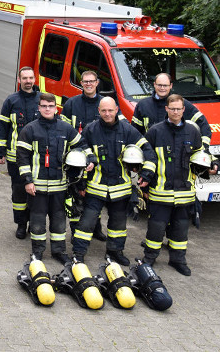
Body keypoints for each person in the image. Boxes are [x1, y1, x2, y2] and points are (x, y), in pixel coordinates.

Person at [71, 97, 155, 265]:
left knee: (118, 225)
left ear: (117, 109)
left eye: (110, 110)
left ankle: (115, 251)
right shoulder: (90, 130)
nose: (107, 114)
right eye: (104, 111)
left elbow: (148, 150)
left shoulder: (128, 130)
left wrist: (146, 175)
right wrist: (81, 180)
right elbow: (78, 149)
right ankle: (78, 253)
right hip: (95, 188)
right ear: (99, 111)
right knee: (86, 222)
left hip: (121, 190)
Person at [140, 94, 216, 276]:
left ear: (184, 110)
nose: (175, 112)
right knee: (156, 229)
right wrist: (144, 185)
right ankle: (149, 258)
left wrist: (213, 164)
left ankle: (178, 260)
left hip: (184, 193)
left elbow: (201, 154)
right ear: (166, 109)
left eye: (179, 109)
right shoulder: (155, 132)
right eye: (172, 108)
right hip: (160, 193)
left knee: (181, 230)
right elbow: (147, 158)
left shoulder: (193, 132)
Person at [18, 92, 86, 264]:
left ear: (56, 108)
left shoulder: (66, 128)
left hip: (60, 187)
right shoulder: (29, 129)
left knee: (59, 221)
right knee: (38, 221)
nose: (47, 109)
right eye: (44, 106)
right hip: (37, 187)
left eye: (50, 106)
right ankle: (38, 251)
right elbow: (22, 157)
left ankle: (59, 251)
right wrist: (28, 181)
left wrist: (89, 159)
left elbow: (82, 145)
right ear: (39, 108)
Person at [60, 69, 108, 241]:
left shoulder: (105, 103)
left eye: (91, 81)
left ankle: (96, 228)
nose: (88, 84)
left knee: (95, 193)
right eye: (85, 81)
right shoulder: (71, 104)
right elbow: (63, 129)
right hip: (76, 158)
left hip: (98, 158)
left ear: (97, 83)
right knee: (75, 195)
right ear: (81, 83)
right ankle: (76, 232)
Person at [0, 66, 40, 239]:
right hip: (15, 157)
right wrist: (1, 151)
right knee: (19, 191)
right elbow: (3, 127)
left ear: (34, 79)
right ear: (19, 80)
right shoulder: (11, 100)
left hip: (37, 157)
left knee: (36, 192)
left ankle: (33, 223)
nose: (28, 81)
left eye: (31, 78)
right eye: (25, 78)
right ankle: (21, 224)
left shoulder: (41, 99)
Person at [131, 72, 212, 151]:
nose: (162, 88)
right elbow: (134, 133)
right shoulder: (143, 105)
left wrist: (204, 149)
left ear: (171, 86)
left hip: (176, 154)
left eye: (165, 85)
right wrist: (144, 150)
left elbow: (204, 126)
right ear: (154, 85)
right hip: (151, 154)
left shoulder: (180, 104)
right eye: (159, 85)